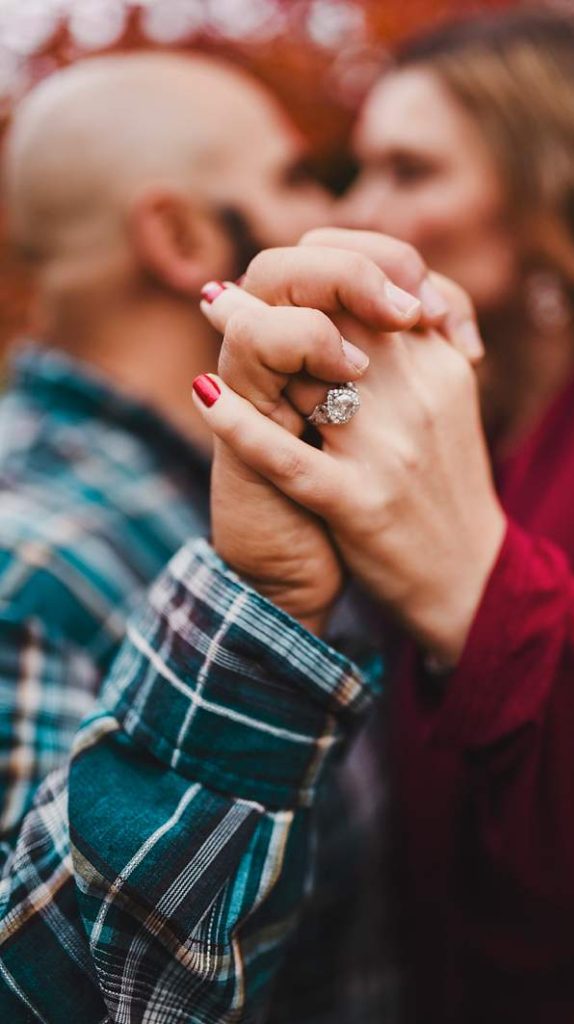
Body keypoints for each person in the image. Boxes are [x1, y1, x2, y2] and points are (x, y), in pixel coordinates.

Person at [188, 8, 574, 1024]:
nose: (362, 207)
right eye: (360, 168)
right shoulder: (490, 433)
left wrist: (479, 593)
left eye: (411, 171)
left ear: (554, 186)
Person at [0, 49, 456, 1021]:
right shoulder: (27, 556)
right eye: (295, 178)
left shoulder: (245, 471)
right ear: (181, 234)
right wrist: (257, 607)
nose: (353, 220)